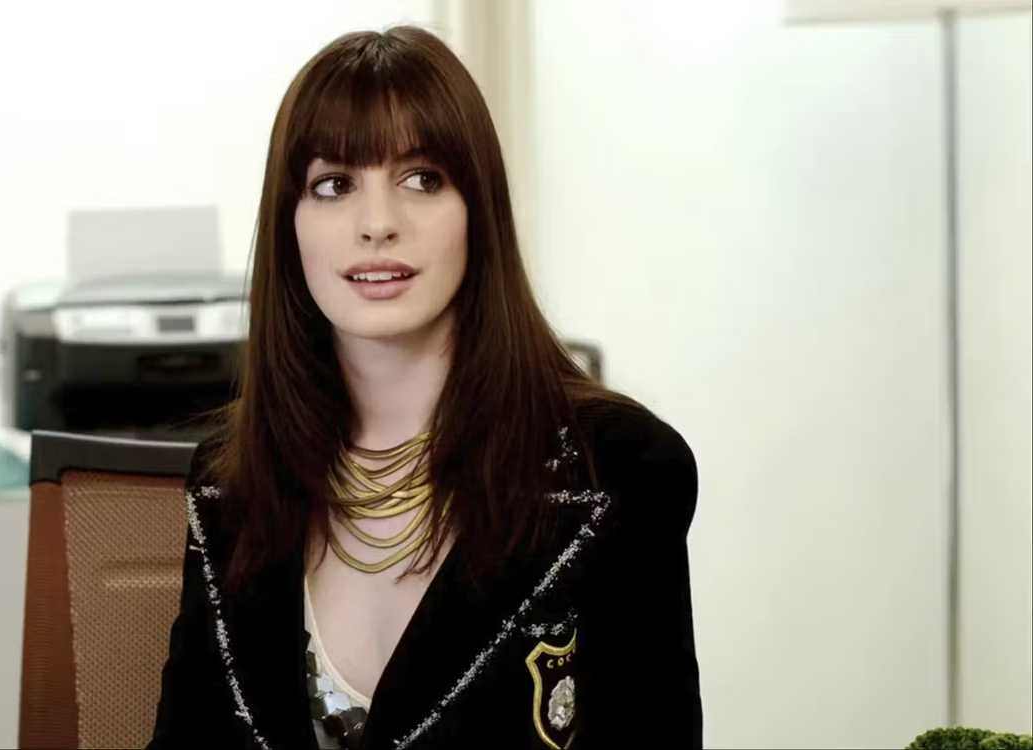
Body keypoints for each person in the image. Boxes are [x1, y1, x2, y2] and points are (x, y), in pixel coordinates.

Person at [149, 25, 701, 750]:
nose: (378, 224)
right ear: (290, 226)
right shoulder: (231, 481)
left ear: (479, 212)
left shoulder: (621, 469)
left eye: (422, 180)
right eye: (334, 185)